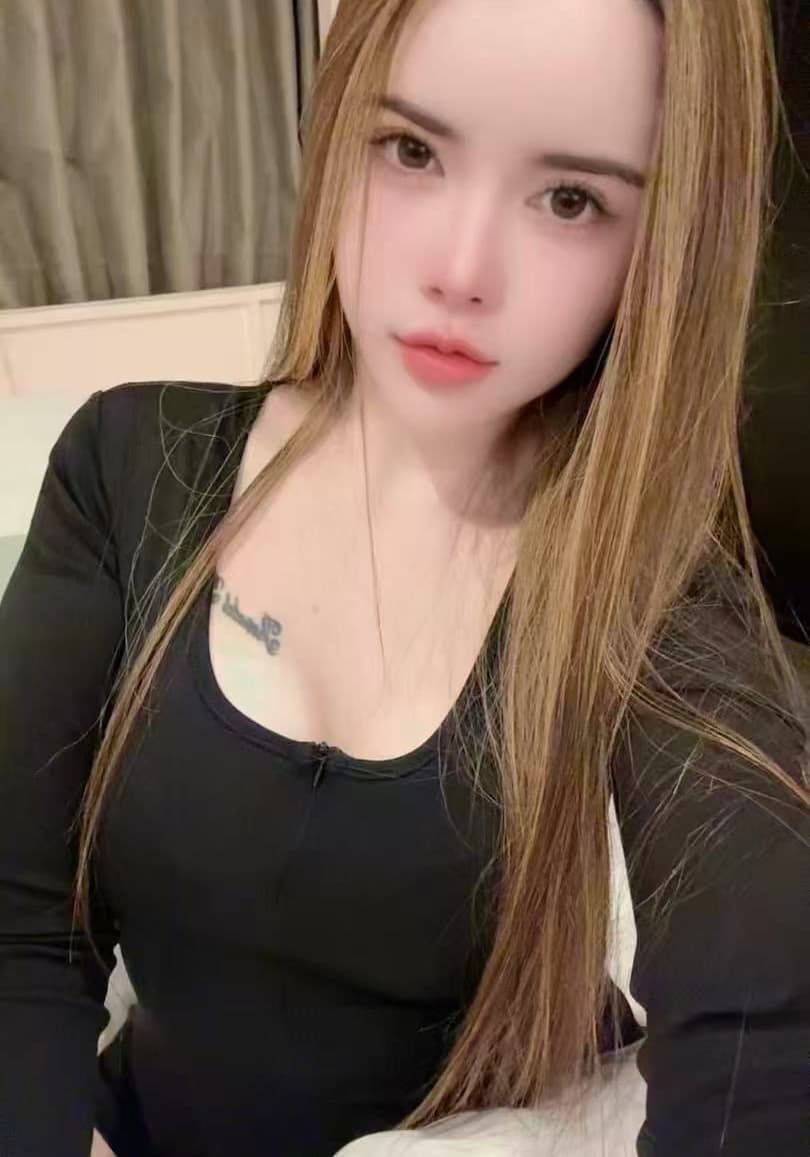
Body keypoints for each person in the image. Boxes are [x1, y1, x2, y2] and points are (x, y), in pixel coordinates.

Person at [0, 1, 808, 1155]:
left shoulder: (655, 589)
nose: (460, 271)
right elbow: (21, 929)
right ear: (336, 130)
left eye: (570, 199)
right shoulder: (125, 467)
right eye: (412, 149)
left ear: (660, 243)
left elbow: (766, 1053)